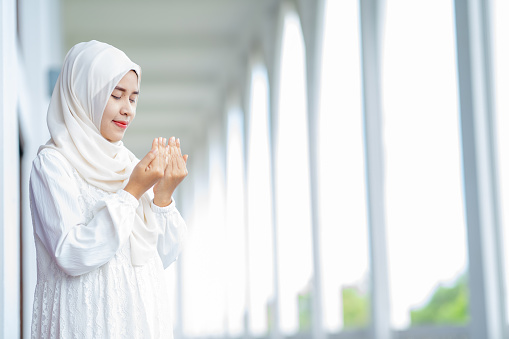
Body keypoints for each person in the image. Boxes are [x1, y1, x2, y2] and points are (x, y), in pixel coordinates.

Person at [29, 40, 188, 338]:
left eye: (133, 98)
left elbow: (160, 257)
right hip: (85, 325)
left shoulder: (128, 165)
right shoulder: (52, 164)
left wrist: (163, 197)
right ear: (83, 94)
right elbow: (70, 253)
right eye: (116, 95)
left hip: (139, 324)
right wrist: (131, 194)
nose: (127, 109)